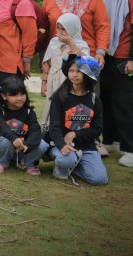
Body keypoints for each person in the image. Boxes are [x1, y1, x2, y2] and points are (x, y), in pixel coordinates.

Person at [101, 0, 133, 168]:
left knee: (125, 102)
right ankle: (111, 140)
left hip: (126, 57)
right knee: (107, 99)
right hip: (109, 54)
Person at [47, 55, 108, 184]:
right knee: (67, 160)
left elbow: (97, 130)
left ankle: (75, 166)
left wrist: (75, 134)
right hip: (61, 145)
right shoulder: (60, 96)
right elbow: (54, 126)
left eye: (79, 71)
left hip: (87, 146)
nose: (74, 74)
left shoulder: (94, 99)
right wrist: (62, 145)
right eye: (71, 71)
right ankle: (64, 163)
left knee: (100, 179)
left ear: (88, 74)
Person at [42, 0, 110, 66]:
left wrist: (100, 52)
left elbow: (102, 27)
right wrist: (45, 58)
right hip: (57, 56)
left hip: (86, 55)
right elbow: (44, 30)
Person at [40, 13, 89, 131]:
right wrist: (44, 83)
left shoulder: (81, 45)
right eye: (58, 28)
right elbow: (47, 64)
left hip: (70, 82)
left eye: (64, 29)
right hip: (54, 80)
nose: (60, 32)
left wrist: (70, 42)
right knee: (53, 105)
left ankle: (69, 131)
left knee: (68, 106)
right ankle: (50, 131)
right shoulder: (54, 42)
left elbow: (84, 62)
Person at [0, 76, 46, 175]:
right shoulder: (0, 111)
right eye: (14, 95)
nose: (19, 98)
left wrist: (28, 145)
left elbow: (35, 131)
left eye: (22, 94)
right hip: (6, 143)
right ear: (4, 96)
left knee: (43, 144)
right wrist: (14, 139)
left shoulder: (29, 112)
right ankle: (2, 162)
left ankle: (27, 163)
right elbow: (2, 128)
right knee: (5, 142)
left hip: (24, 147)